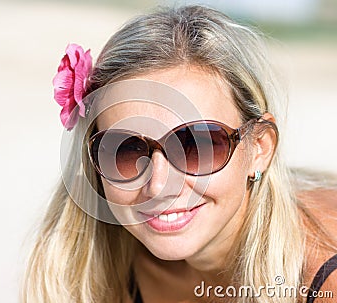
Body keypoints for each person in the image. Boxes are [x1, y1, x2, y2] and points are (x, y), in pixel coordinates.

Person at [21, 5, 337, 303]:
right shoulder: (102, 268)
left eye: (195, 145)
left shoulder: (322, 277)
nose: (158, 187)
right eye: (126, 151)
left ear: (260, 147)